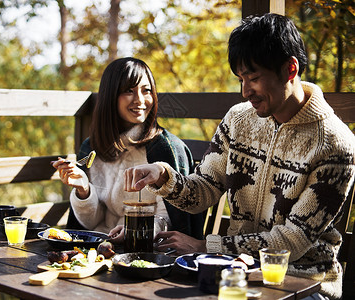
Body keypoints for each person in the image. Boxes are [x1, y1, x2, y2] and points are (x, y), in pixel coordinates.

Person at [123, 14, 355, 300]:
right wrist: (164, 177)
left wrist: (205, 246)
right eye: (241, 79)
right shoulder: (238, 119)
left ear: (290, 69)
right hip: (235, 272)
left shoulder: (335, 144)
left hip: (301, 284)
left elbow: (291, 242)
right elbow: (201, 193)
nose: (246, 92)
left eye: (254, 78)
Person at [52, 57, 205, 243]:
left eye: (146, 90)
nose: (140, 100)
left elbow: (172, 220)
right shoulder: (92, 148)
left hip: (148, 248)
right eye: (129, 91)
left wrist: (136, 228)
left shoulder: (166, 149)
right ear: (110, 95)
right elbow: (91, 224)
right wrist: (83, 190)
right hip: (100, 245)